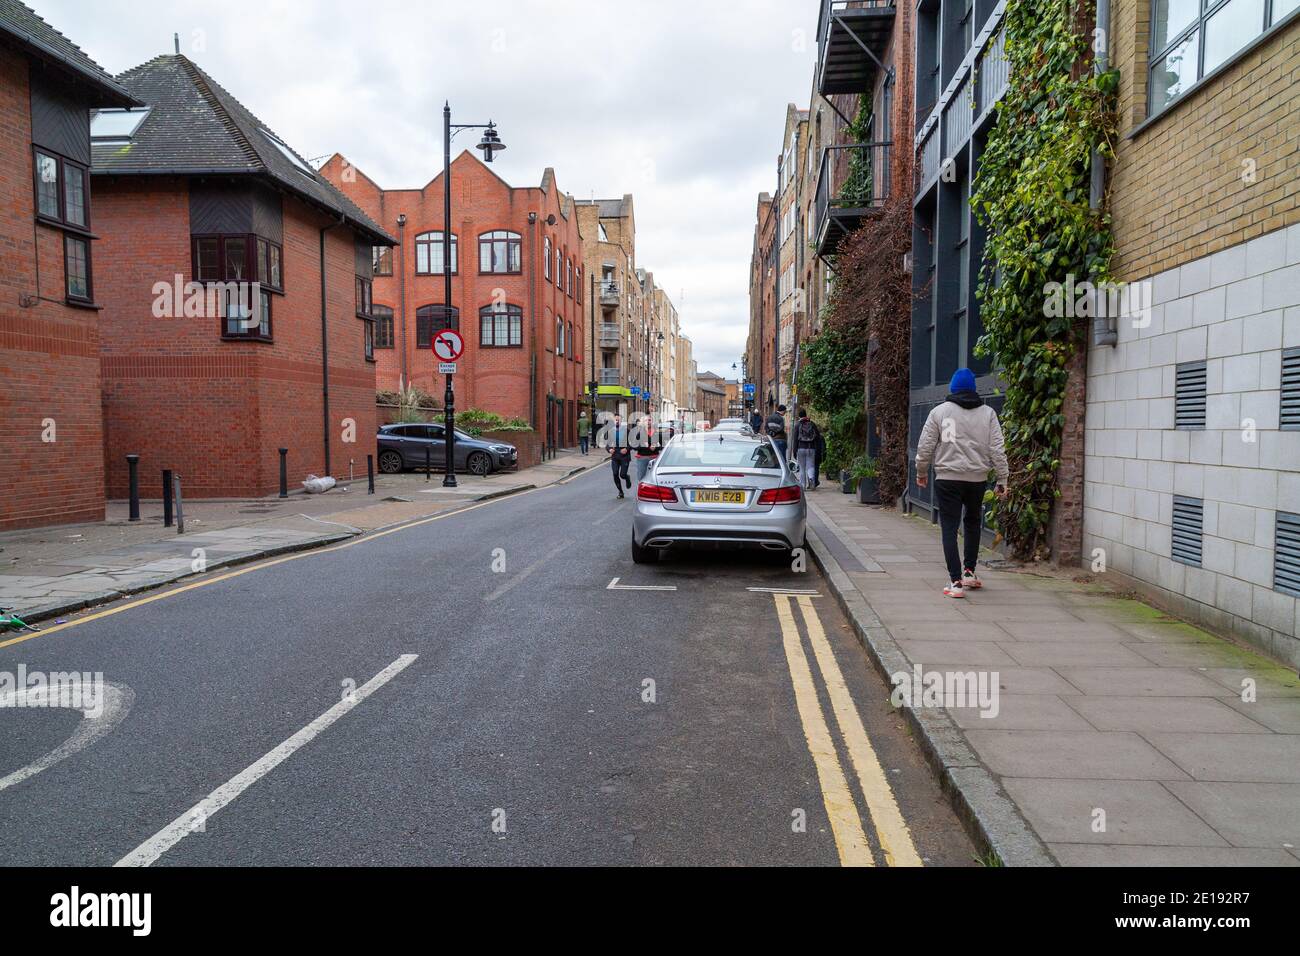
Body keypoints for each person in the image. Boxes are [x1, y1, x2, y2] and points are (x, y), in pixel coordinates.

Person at [914, 368, 1009, 599]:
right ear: (974, 389)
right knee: (973, 522)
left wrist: (921, 470)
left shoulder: (939, 412)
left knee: (949, 526)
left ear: (953, 389)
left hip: (947, 478)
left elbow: (925, 446)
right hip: (976, 480)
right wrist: (1003, 478)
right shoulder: (987, 413)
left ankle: (955, 582)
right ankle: (969, 571)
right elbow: (997, 448)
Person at [791, 408, 821, 491]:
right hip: (811, 448)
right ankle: (811, 480)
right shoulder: (812, 424)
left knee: (802, 468)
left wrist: (794, 450)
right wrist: (818, 449)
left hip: (801, 448)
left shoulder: (797, 425)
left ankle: (803, 486)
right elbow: (818, 438)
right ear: (806, 414)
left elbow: (795, 439)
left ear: (799, 416)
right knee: (811, 466)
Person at [605, 415, 632, 498]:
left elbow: (632, 443)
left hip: (624, 456)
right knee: (615, 473)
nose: (617, 421)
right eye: (615, 420)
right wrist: (609, 449)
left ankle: (627, 478)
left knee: (622, 475)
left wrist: (627, 449)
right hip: (615, 456)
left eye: (618, 420)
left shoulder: (627, 431)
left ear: (621, 421)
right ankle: (620, 492)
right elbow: (608, 445)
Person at [633, 414, 661, 484]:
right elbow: (634, 447)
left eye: (649, 420)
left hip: (654, 458)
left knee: (654, 479)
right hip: (642, 458)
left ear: (652, 422)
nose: (648, 422)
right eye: (646, 420)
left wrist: (656, 448)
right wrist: (642, 445)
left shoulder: (657, 433)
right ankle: (641, 494)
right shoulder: (639, 433)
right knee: (641, 478)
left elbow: (663, 446)